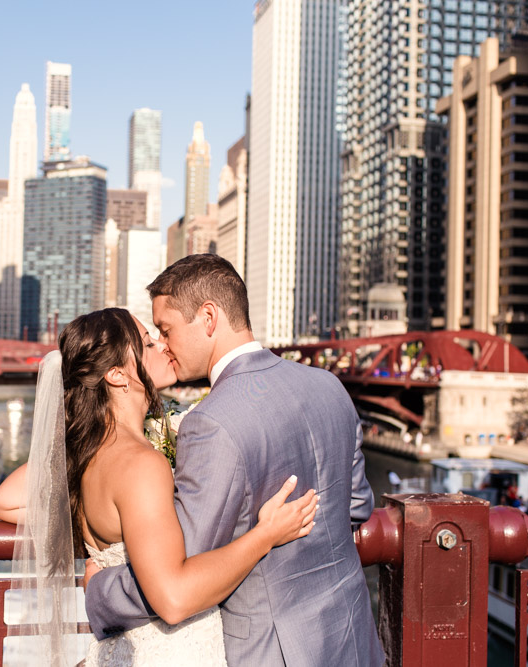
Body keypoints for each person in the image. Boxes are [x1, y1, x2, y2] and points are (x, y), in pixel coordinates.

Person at [85, 254, 384, 666]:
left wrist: (102, 590)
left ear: (208, 317)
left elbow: (181, 572)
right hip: (348, 633)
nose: (163, 344)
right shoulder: (329, 386)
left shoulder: (211, 422)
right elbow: (356, 508)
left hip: (272, 649)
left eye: (166, 329)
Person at [0, 307, 319, 665]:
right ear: (117, 375)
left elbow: (4, 502)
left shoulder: (85, 455)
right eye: (147, 343)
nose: (163, 346)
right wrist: (266, 534)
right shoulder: (141, 464)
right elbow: (174, 599)